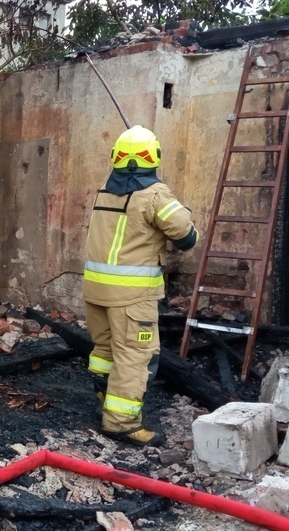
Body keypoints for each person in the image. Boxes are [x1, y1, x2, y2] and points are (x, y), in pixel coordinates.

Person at [83, 125, 198, 447]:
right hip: (132, 298)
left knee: (105, 349)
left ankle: (105, 395)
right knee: (137, 354)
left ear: (116, 158)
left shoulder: (105, 191)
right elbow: (186, 237)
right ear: (155, 157)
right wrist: (182, 209)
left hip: (96, 291)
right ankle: (121, 421)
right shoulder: (156, 196)